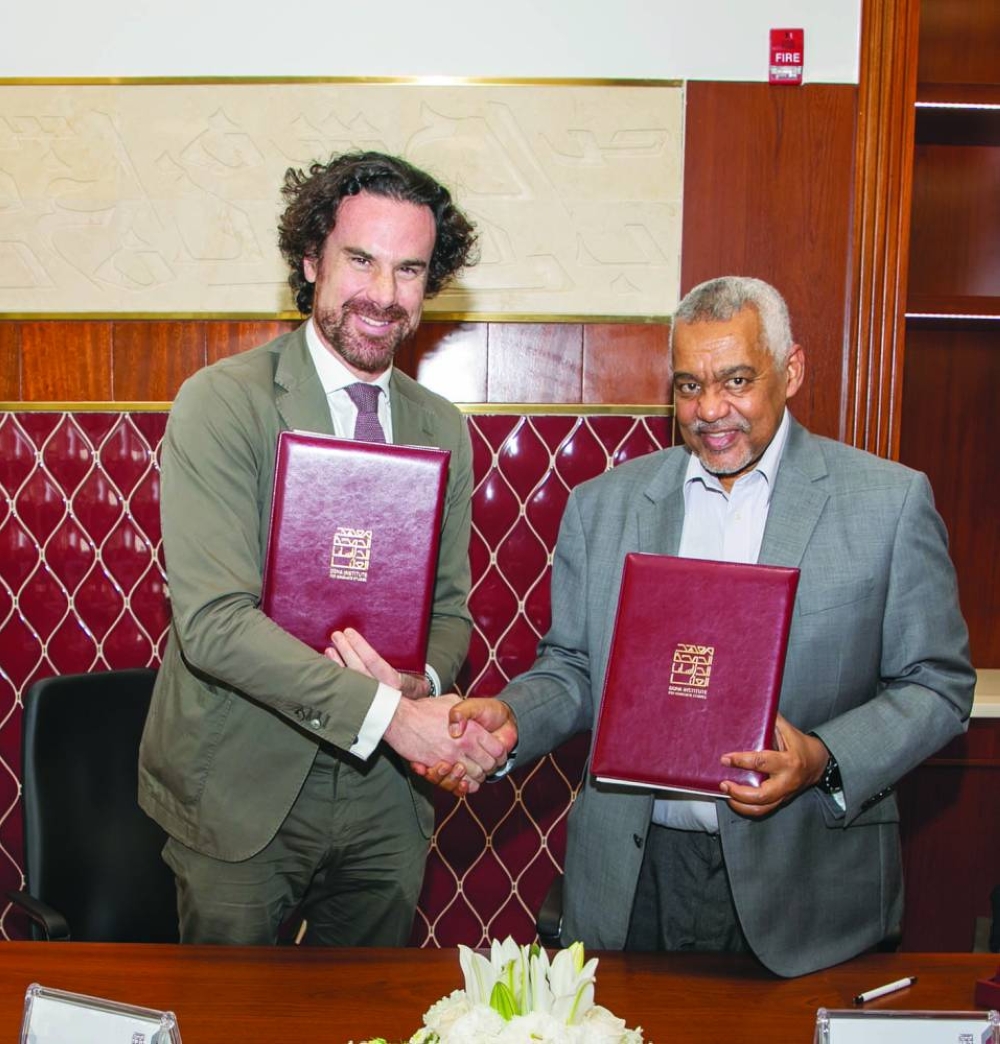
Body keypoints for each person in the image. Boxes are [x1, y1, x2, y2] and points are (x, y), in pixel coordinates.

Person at [437, 276, 975, 977]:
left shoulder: (888, 502)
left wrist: (820, 757)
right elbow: (573, 666)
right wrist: (508, 715)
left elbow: (938, 685)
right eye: (689, 386)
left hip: (804, 882)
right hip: (632, 879)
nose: (711, 410)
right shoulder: (604, 506)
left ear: (792, 371)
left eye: (737, 380)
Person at [138, 151, 508, 947]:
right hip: (242, 788)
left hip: (384, 803)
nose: (384, 294)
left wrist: (419, 679)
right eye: (361, 260)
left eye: (410, 269)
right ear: (311, 261)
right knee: (229, 1027)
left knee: (367, 1021)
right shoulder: (224, 404)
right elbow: (214, 624)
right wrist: (393, 715)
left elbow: (450, 610)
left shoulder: (443, 428)